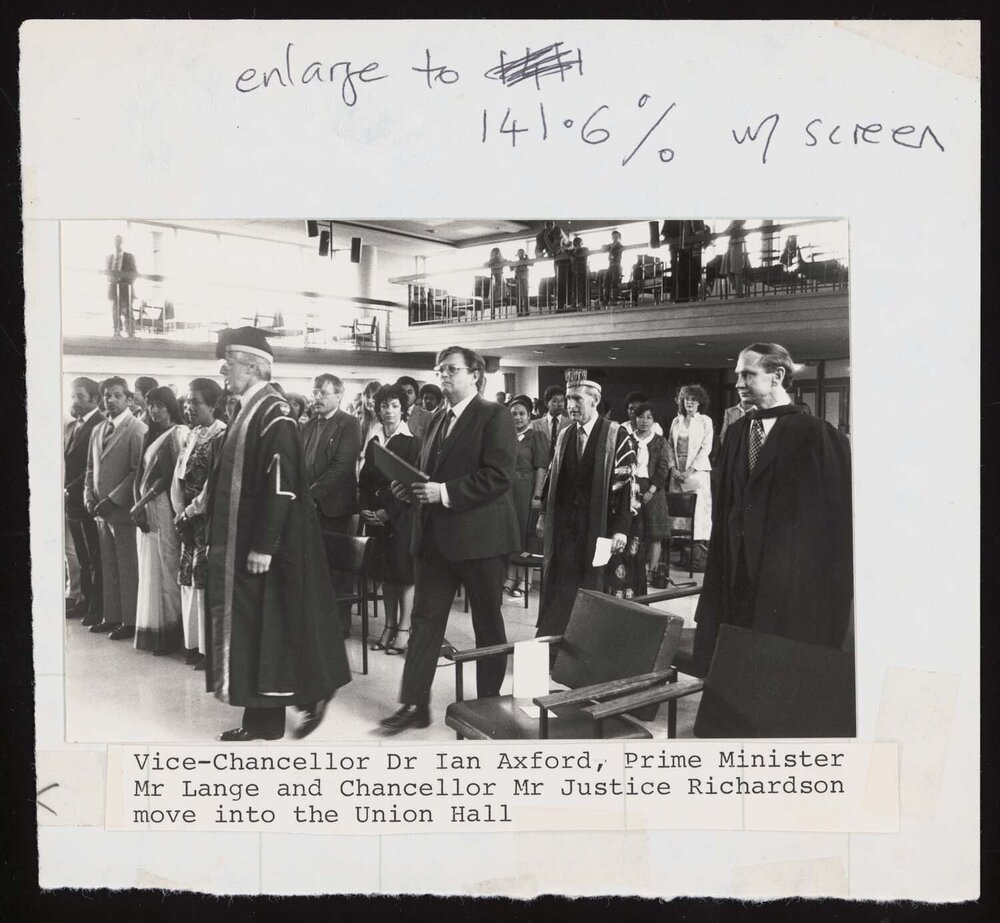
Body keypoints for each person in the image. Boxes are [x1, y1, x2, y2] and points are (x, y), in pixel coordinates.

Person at [206, 327, 351, 741]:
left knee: (271, 628)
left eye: (229, 364)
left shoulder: (274, 413)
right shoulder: (248, 409)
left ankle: (300, 700)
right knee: (258, 629)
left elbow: (281, 483)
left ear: (253, 366)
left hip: (273, 545)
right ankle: (263, 720)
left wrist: (263, 545)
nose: (223, 370)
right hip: (249, 540)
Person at [380, 346, 521, 733]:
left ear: (475, 374)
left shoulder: (495, 415)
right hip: (435, 540)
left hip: (480, 539)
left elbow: (498, 476)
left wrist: (442, 493)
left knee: (487, 625)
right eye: (440, 369)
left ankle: (489, 706)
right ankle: (414, 705)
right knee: (425, 623)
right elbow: (428, 475)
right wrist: (409, 487)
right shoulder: (437, 419)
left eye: (452, 369)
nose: (443, 375)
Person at [691, 343, 853, 677]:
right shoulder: (736, 433)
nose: (738, 383)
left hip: (790, 581)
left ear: (777, 376)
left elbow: (837, 524)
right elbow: (725, 511)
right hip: (737, 574)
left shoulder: (817, 436)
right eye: (737, 375)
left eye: (747, 374)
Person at [536, 380, 638, 636]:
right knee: (564, 582)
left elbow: (627, 486)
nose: (570, 405)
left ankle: (590, 643)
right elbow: (553, 477)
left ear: (594, 400)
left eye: (577, 399)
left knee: (595, 585)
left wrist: (621, 529)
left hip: (601, 524)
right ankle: (557, 645)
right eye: (568, 399)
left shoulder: (616, 434)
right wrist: (543, 515)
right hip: (566, 526)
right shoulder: (564, 435)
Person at [359, 383, 420, 656]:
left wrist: (387, 512)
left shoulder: (412, 442)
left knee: (403, 573)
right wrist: (365, 509)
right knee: (386, 574)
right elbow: (363, 481)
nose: (389, 411)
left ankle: (404, 629)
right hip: (376, 518)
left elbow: (410, 486)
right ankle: (389, 625)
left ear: (403, 409)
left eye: (395, 406)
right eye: (385, 406)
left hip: (402, 517)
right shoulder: (374, 441)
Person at [84, 376, 147, 638]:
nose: (110, 400)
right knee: (108, 564)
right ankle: (112, 616)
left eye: (117, 395)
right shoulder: (98, 429)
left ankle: (130, 620)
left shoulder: (137, 429)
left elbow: (137, 472)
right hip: (100, 510)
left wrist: (112, 499)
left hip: (121, 509)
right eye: (107, 395)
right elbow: (89, 469)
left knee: (127, 566)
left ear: (129, 400)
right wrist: (88, 496)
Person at [301, 373, 363, 638]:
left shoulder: (349, 423)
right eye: (315, 392)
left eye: (323, 393)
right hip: (307, 507)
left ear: (339, 395)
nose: (316, 397)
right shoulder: (306, 425)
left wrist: (312, 495)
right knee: (314, 568)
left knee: (338, 569)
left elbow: (342, 465)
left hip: (334, 507)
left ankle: (339, 624)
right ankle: (316, 620)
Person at [172, 377, 227, 669]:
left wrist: (190, 511)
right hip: (188, 521)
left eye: (195, 401)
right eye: (187, 401)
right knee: (188, 581)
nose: (188, 406)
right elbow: (177, 477)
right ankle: (192, 644)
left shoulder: (222, 436)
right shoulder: (192, 434)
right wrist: (179, 509)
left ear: (213, 405)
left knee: (206, 583)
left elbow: (213, 487)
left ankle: (212, 650)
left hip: (209, 519)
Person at [130, 387, 189, 653]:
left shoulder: (178, 433)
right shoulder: (149, 432)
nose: (154, 410)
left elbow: (171, 478)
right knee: (149, 566)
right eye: (152, 405)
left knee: (167, 566)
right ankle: (153, 631)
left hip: (164, 507)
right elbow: (139, 474)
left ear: (171, 407)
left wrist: (142, 503)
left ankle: (172, 634)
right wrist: (137, 505)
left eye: (161, 406)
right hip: (144, 509)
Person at [64, 377, 105, 624]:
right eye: (72, 396)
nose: (75, 401)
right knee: (80, 555)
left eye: (80, 396)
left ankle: (96, 607)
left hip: (88, 499)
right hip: (73, 502)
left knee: (94, 557)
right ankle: (85, 600)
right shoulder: (72, 426)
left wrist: (71, 487)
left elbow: (92, 467)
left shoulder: (99, 424)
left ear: (95, 398)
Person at [665, 384, 714, 567]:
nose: (690, 403)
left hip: (696, 474)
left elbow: (705, 447)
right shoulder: (676, 421)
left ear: (700, 402)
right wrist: (674, 469)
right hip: (677, 473)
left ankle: (696, 557)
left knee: (697, 513)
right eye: (687, 399)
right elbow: (669, 445)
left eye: (693, 400)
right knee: (677, 515)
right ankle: (681, 554)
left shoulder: (705, 421)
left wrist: (689, 471)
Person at [504, 395, 547, 598]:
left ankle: (526, 579)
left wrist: (537, 495)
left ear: (530, 416)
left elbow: (541, 468)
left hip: (526, 490)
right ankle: (511, 576)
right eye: (514, 414)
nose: (517, 418)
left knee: (526, 533)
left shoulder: (536, 437)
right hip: (507, 491)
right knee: (510, 534)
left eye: (522, 414)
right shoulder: (506, 436)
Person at [630, 402, 671, 584]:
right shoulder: (628, 438)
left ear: (654, 421)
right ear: (635, 419)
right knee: (633, 531)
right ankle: (633, 571)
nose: (644, 421)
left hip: (654, 489)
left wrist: (651, 491)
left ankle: (651, 573)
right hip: (630, 488)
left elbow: (663, 469)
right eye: (640, 417)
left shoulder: (660, 441)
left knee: (654, 533)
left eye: (649, 417)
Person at [106, 235, 138, 337]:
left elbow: (134, 273)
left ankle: (131, 333)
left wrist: (122, 280)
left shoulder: (129, 257)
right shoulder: (109, 258)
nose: (117, 244)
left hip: (125, 290)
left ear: (122, 243)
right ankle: (116, 332)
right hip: (113, 290)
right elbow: (107, 273)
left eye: (119, 241)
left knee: (127, 311)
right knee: (115, 312)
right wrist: (111, 279)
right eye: (115, 241)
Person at [530, 385, 572, 462]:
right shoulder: (535, 425)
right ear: (546, 403)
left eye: (562, 400)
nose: (560, 404)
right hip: (541, 467)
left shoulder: (571, 424)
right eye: (555, 401)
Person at [720, 219, 750, 298]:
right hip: (731, 245)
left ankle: (739, 292)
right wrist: (732, 225)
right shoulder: (733, 223)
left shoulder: (740, 226)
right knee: (728, 268)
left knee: (736, 269)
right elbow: (726, 232)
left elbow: (743, 224)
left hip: (738, 245)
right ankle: (736, 288)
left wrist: (735, 225)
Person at [600, 230, 624, 306]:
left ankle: (614, 299)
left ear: (619, 237)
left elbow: (617, 249)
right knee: (605, 282)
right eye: (613, 237)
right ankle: (606, 300)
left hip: (616, 265)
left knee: (614, 282)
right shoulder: (610, 245)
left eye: (616, 237)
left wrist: (611, 247)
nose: (614, 238)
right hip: (610, 266)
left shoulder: (619, 245)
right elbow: (603, 248)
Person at [569, 236, 590, 309]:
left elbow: (582, 254)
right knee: (574, 288)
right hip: (575, 272)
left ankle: (582, 303)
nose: (576, 245)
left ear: (581, 243)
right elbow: (565, 252)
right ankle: (574, 303)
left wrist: (573, 254)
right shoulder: (572, 251)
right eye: (575, 243)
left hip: (582, 271)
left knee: (582, 287)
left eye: (578, 243)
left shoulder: (584, 249)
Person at [485, 247, 507, 317]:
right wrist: (492, 261)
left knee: (500, 292)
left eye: (496, 253)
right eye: (493, 253)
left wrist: (499, 261)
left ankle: (499, 313)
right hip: (493, 278)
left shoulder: (502, 260)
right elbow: (485, 265)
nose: (495, 254)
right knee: (492, 294)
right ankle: (492, 313)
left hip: (500, 278)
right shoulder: (491, 261)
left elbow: (507, 262)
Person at [511, 249, 531, 316]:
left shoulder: (525, 261)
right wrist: (510, 263)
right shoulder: (516, 262)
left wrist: (527, 258)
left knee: (525, 296)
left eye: (521, 253)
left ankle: (526, 311)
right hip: (517, 280)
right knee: (518, 297)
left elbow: (531, 263)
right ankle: (519, 312)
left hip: (524, 280)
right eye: (519, 253)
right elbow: (511, 269)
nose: (520, 254)